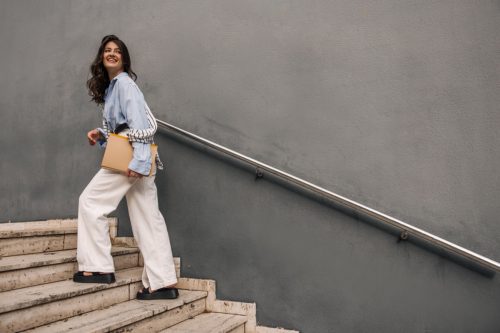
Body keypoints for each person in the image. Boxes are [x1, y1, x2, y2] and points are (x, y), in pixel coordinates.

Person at [73, 35, 178, 300]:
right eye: (107, 50)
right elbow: (123, 127)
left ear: (123, 58)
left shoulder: (124, 85)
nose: (112, 53)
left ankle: (97, 267)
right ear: (101, 57)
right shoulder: (113, 88)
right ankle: (162, 282)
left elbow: (140, 125)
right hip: (135, 158)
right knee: (147, 220)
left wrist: (140, 161)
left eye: (117, 51)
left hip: (132, 159)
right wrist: (101, 133)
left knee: (90, 202)